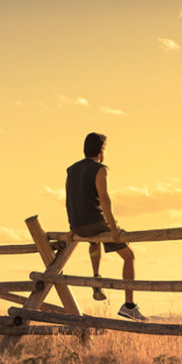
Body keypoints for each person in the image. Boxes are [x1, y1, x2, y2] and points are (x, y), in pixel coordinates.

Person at [65, 132, 146, 321]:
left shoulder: (71, 170)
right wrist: (114, 228)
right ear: (102, 149)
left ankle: (96, 279)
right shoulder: (100, 169)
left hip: (78, 225)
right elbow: (104, 199)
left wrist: (72, 227)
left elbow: (69, 198)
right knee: (129, 256)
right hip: (95, 222)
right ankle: (129, 305)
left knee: (94, 241)